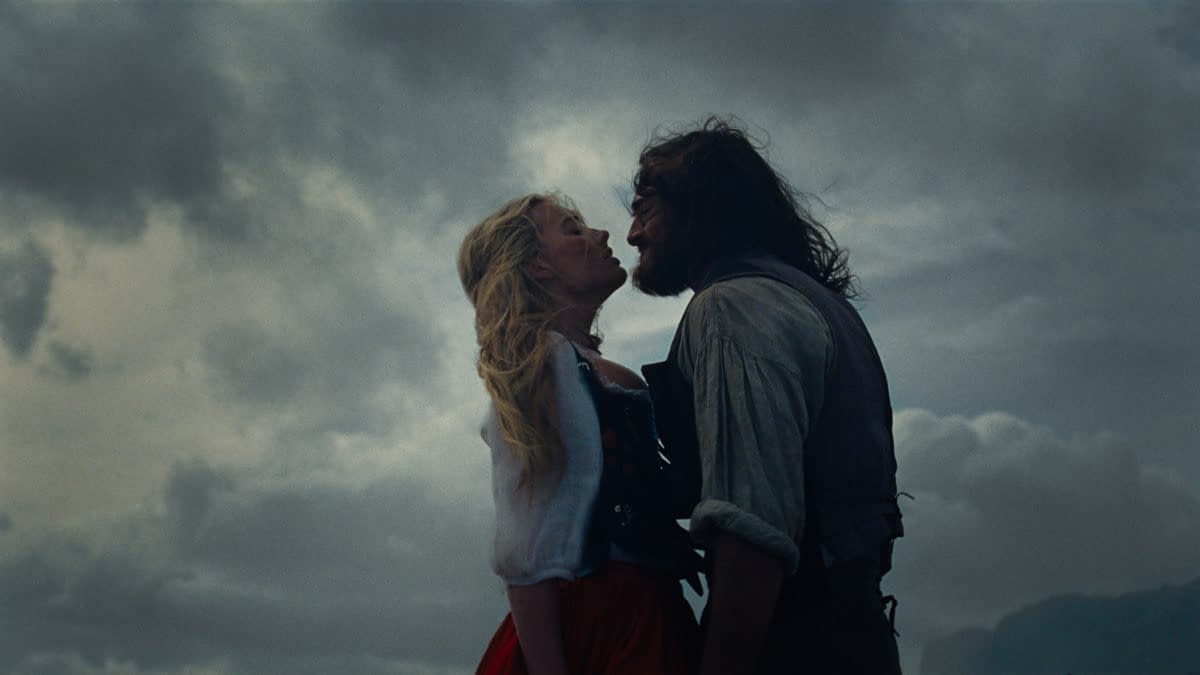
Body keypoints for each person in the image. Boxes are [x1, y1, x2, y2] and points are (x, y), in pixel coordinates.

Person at [627, 119, 904, 675]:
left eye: (644, 208)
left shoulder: (733, 309)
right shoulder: (820, 304)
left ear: (697, 207)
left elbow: (753, 530)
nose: (633, 235)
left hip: (796, 648)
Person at [459, 193, 701, 675]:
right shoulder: (542, 367)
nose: (602, 235)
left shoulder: (587, 370)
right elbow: (525, 550)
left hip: (644, 613)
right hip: (597, 626)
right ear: (538, 267)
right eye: (573, 229)